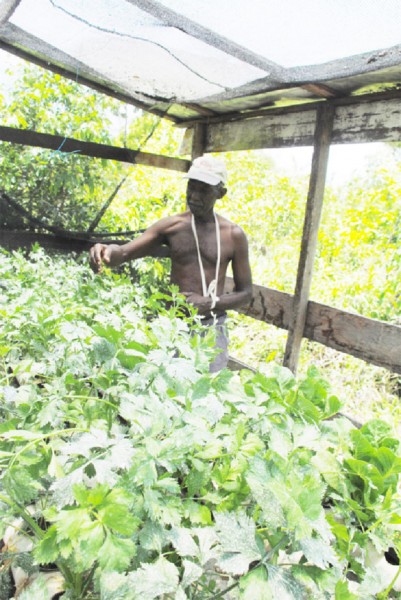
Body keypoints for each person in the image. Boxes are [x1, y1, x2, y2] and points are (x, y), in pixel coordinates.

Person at [89, 155, 252, 371]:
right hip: (174, 327)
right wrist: (105, 251)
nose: (194, 196)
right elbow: (125, 253)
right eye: (191, 187)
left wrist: (210, 303)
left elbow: (246, 294)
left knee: (206, 393)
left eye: (203, 190)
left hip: (212, 328)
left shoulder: (233, 235)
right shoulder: (173, 227)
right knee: (169, 392)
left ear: (220, 193)